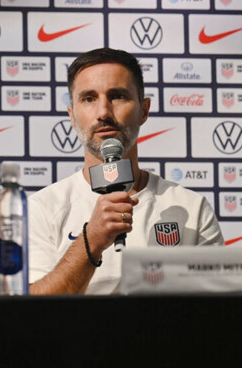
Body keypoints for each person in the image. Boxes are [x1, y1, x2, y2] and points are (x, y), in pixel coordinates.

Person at [28, 47, 224, 295]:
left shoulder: (191, 208)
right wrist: (92, 240)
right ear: (72, 116)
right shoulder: (40, 209)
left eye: (118, 96)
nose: (103, 113)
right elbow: (30, 313)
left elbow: (218, 313)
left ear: (143, 110)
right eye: (89, 99)